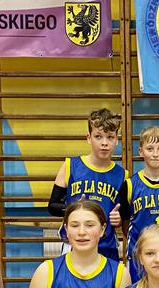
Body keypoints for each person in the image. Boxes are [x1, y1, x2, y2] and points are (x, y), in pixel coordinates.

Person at [48, 108, 128, 260]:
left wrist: (118, 218)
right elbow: (52, 206)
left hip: (106, 247)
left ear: (117, 140)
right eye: (98, 136)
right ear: (89, 138)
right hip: (74, 244)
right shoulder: (70, 166)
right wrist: (72, 207)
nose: (104, 143)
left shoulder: (122, 175)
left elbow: (123, 214)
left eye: (110, 137)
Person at [118, 125, 159, 283]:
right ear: (140, 151)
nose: (155, 154)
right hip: (139, 255)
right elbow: (125, 223)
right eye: (150, 149)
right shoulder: (130, 185)